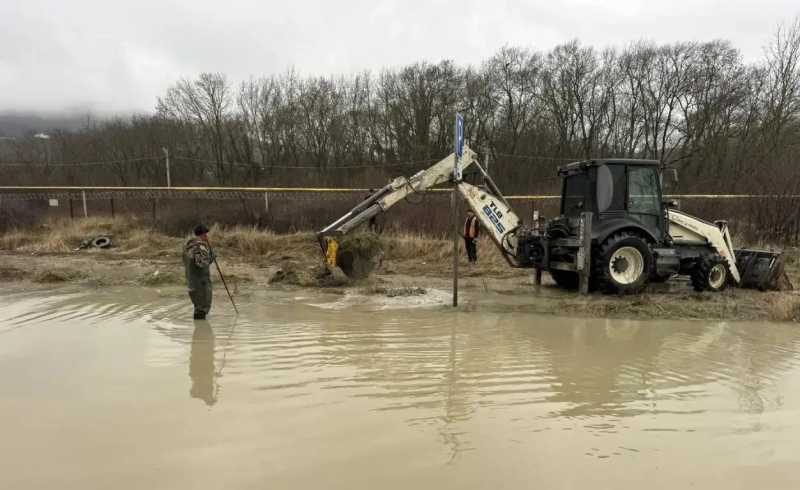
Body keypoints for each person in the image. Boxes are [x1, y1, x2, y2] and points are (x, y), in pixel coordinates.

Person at [183, 224, 215, 320]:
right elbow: (201, 263)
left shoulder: (188, 247)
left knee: (198, 308)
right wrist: (211, 258)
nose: (207, 237)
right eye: (205, 234)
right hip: (201, 283)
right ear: (203, 234)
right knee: (203, 308)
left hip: (192, 282)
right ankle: (202, 332)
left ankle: (199, 331)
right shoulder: (200, 247)